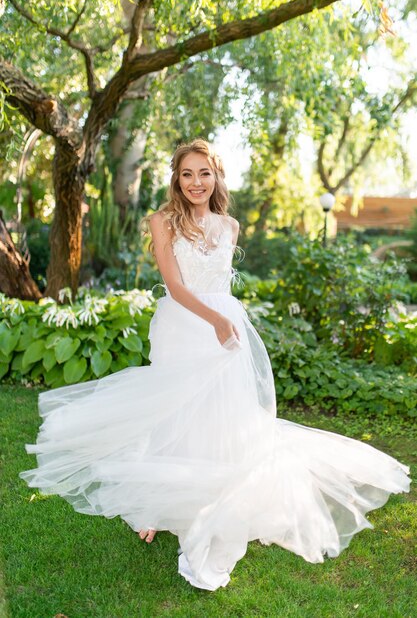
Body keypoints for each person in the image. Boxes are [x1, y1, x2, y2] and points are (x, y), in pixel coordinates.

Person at [20, 138, 411, 592]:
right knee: (177, 409)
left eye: (204, 173)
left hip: (227, 327)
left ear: (217, 176)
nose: (196, 183)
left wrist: (226, 322)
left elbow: (220, 284)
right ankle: (158, 499)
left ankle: (221, 489)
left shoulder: (231, 226)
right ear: (176, 178)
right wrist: (216, 320)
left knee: (225, 412)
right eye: (187, 174)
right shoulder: (162, 221)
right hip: (184, 325)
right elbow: (175, 285)